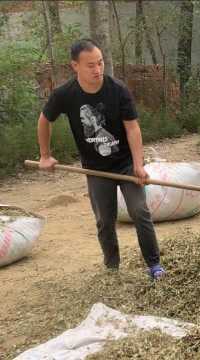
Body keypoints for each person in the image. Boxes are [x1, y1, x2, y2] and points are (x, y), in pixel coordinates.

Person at [37, 38, 166, 280]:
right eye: (90, 65)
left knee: (139, 211)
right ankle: (112, 269)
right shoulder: (65, 94)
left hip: (126, 164)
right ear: (75, 66)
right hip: (95, 169)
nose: (97, 70)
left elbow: (133, 129)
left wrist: (138, 165)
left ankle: (154, 264)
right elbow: (45, 120)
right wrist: (45, 155)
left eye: (100, 63)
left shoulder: (117, 90)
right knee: (105, 221)